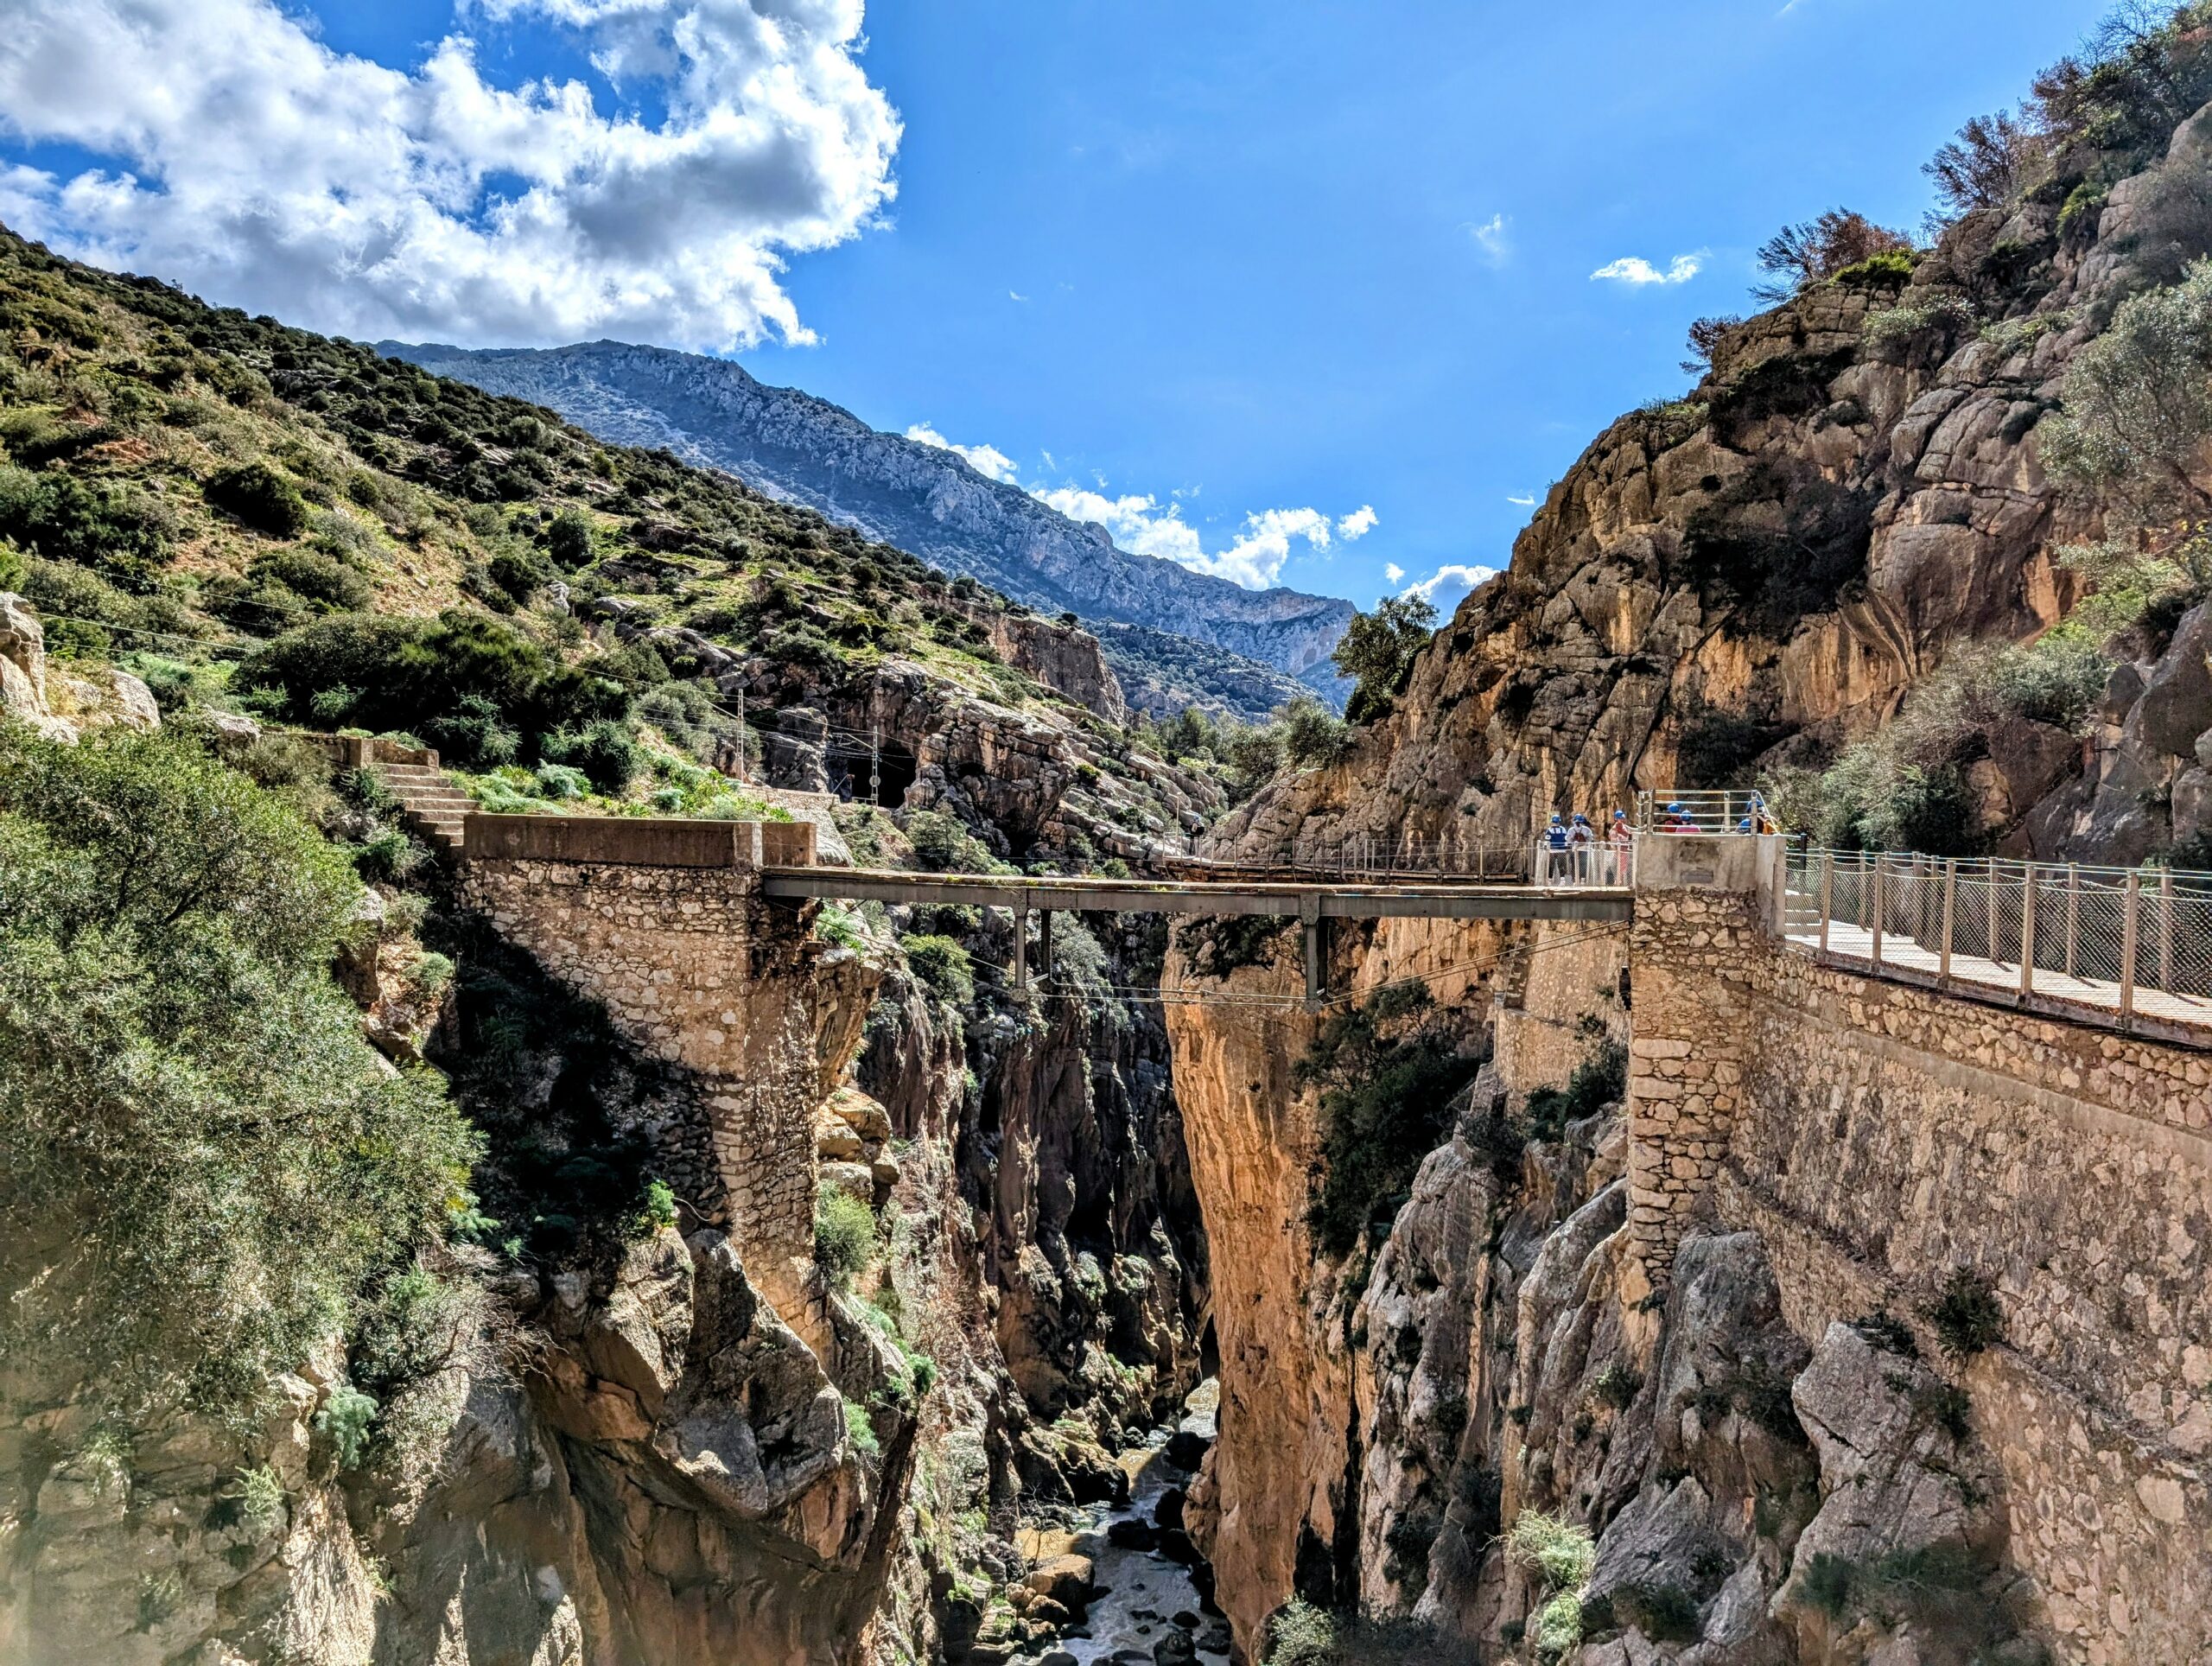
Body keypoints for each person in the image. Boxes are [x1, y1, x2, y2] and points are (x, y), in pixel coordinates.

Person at [1544, 812, 1569, 881]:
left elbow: (1547, 840)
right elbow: (1566, 840)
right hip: (1562, 850)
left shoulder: (1549, 830)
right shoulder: (1563, 829)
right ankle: (1562, 879)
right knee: (1561, 864)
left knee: (1551, 864)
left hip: (1552, 850)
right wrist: (1566, 848)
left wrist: (1546, 847)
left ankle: (1549, 878)